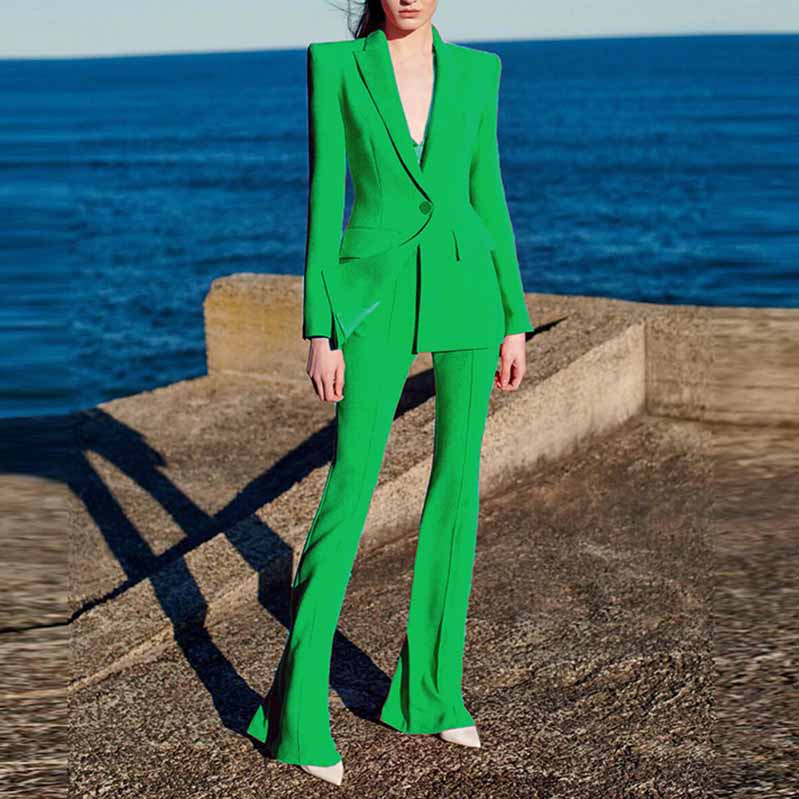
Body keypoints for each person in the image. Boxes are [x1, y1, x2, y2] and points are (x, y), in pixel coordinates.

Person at [247, 0, 533, 786]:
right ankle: (298, 716)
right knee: (348, 492)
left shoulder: (478, 72)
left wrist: (513, 317)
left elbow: (486, 190)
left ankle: (429, 694)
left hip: (468, 288)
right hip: (370, 295)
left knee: (456, 490)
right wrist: (320, 327)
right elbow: (324, 196)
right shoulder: (336, 65)